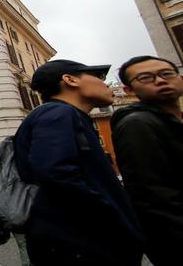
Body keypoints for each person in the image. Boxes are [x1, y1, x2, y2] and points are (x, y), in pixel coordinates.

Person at [15, 59, 143, 266]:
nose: (106, 84)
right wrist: (111, 213)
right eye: (99, 77)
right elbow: (53, 172)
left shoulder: (62, 114)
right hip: (81, 243)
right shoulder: (57, 113)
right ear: (70, 80)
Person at [111, 55, 183, 266]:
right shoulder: (137, 124)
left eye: (166, 74)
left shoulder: (173, 121)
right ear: (129, 91)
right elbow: (153, 195)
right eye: (146, 78)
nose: (160, 80)